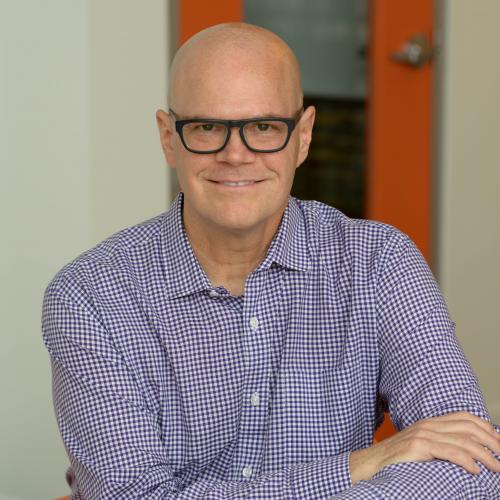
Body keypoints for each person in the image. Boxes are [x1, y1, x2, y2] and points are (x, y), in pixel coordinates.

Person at [42, 23, 499, 499]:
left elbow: (475, 461)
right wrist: (355, 467)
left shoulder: (379, 263)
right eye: (207, 127)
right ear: (168, 137)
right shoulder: (90, 296)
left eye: (264, 127)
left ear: (303, 136)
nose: (235, 154)